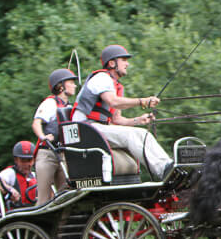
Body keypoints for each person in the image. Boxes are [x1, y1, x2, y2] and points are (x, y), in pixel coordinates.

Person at [72, 44, 174, 180]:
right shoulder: (101, 78)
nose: (127, 64)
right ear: (112, 63)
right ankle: (163, 172)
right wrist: (142, 101)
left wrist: (138, 120)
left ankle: (169, 167)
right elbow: (113, 101)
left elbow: (117, 120)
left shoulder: (116, 85)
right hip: (85, 128)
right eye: (124, 60)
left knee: (144, 134)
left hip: (97, 128)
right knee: (130, 136)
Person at [31, 68, 77, 205]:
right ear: (60, 86)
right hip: (48, 154)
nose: (74, 85)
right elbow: (36, 123)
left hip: (63, 154)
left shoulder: (70, 106)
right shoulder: (50, 103)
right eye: (71, 82)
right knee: (44, 198)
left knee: (66, 197)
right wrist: (43, 136)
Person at [0, 141, 38, 213]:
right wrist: (10, 190)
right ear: (16, 160)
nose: (26, 164)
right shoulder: (10, 173)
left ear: (34, 160)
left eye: (29, 160)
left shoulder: (35, 176)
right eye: (23, 160)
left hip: (29, 215)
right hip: (8, 215)